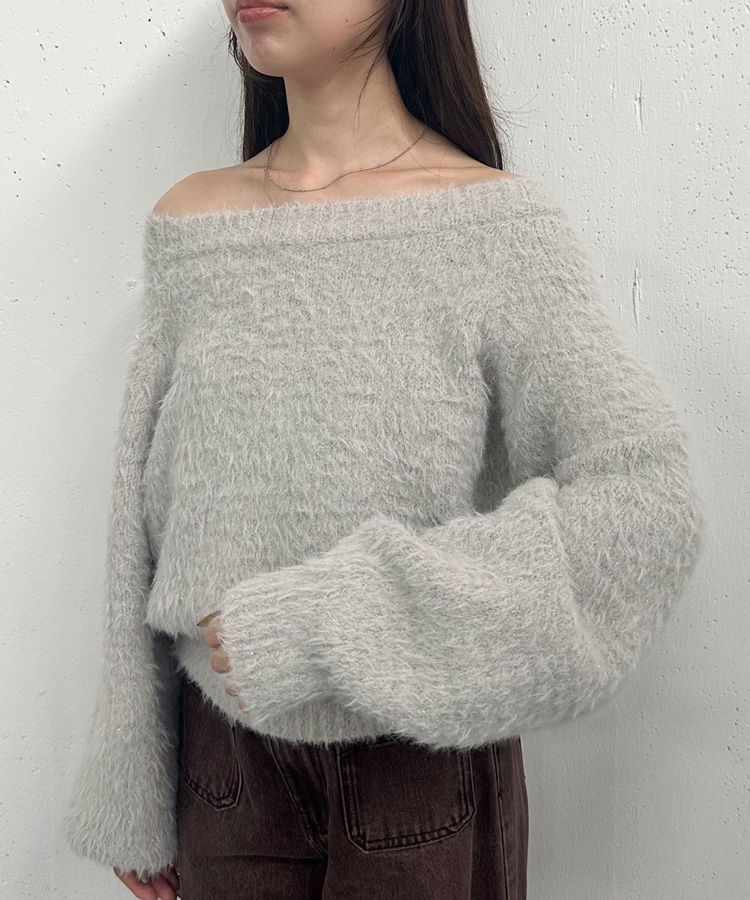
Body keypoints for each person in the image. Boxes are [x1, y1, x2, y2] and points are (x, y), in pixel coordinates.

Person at [63, 1, 704, 898]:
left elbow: (645, 501)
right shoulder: (192, 226)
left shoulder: (493, 228)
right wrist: (131, 780)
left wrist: (326, 622)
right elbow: (141, 518)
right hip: (225, 774)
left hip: (421, 763)